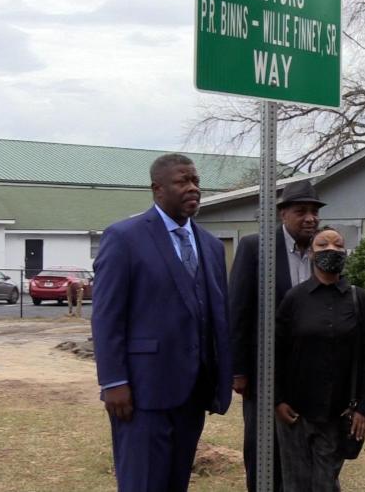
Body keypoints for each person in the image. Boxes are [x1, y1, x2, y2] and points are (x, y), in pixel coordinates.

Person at [91, 154, 232, 491]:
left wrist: (221, 377)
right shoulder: (124, 238)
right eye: (183, 182)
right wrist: (113, 381)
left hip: (193, 393)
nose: (193, 188)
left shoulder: (211, 246)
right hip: (142, 393)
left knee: (175, 483)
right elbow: (107, 316)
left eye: (196, 181)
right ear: (157, 189)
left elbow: (217, 316)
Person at [229, 180, 324, 491]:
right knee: (264, 453)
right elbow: (239, 310)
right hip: (264, 373)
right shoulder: (256, 247)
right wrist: (239, 369)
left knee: (306, 457)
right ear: (283, 214)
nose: (310, 218)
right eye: (301, 211)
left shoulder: (324, 251)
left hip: (310, 375)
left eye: (314, 212)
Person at [274, 227, 365, 492]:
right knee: (295, 485)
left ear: (345, 253)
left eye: (337, 245)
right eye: (323, 245)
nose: (331, 250)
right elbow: (277, 353)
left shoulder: (360, 300)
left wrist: (364, 408)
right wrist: (278, 400)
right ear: (311, 253)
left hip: (337, 412)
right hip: (296, 413)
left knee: (325, 484)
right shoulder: (294, 299)